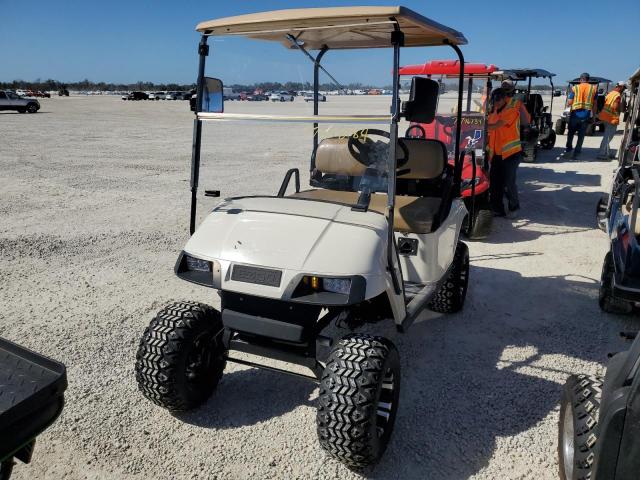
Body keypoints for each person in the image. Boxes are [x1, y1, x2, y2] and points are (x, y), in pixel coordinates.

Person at [487, 88, 523, 216]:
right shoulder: (494, 111)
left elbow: (497, 125)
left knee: (508, 183)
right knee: (495, 183)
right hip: (497, 155)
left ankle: (514, 207)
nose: (495, 103)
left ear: (504, 98)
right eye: (494, 101)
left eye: (497, 101)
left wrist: (480, 125)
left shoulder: (511, 110)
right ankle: (497, 209)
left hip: (511, 154)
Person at [564, 72, 597, 159]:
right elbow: (595, 105)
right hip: (585, 115)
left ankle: (568, 150)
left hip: (575, 114)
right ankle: (577, 153)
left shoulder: (575, 88)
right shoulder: (593, 89)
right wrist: (593, 117)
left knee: (570, 133)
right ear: (588, 79)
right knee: (581, 135)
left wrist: (569, 104)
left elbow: (570, 102)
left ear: (580, 79)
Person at [597, 81, 627, 159]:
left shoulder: (610, 93)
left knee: (607, 135)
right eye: (623, 88)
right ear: (620, 87)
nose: (623, 90)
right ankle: (602, 154)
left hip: (605, 116)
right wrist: (622, 108)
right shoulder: (617, 95)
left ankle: (607, 153)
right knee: (608, 137)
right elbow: (615, 107)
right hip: (611, 118)